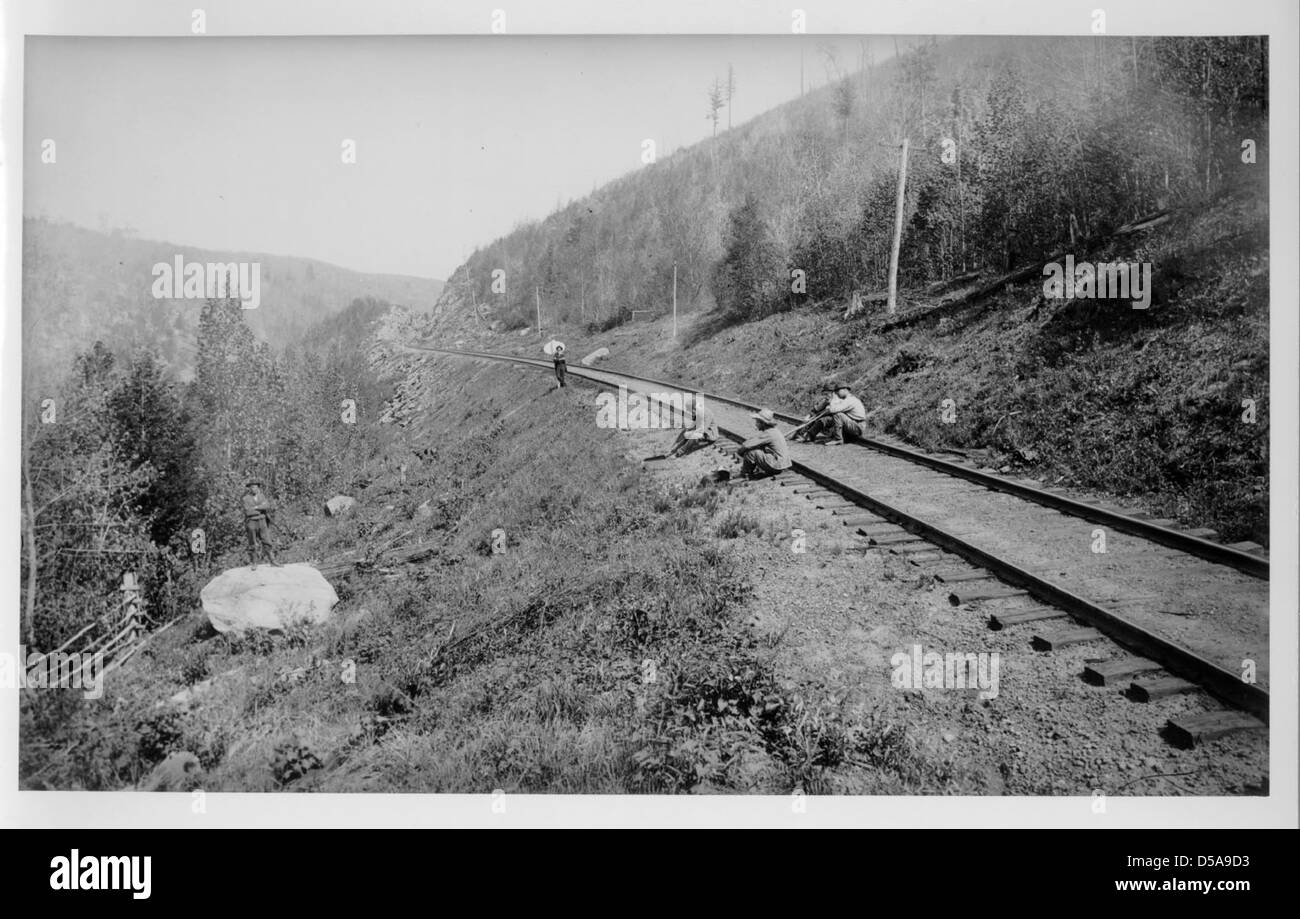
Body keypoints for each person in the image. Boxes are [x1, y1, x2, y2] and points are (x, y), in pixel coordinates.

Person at [797, 381, 866, 446]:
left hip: (858, 426)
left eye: (837, 391)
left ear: (844, 390)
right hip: (851, 424)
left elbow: (833, 410)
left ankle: (838, 439)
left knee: (837, 415)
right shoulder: (844, 399)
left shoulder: (849, 400)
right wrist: (810, 416)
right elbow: (819, 409)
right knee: (825, 419)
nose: (836, 393)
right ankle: (808, 435)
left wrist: (831, 402)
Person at [738, 408, 792, 479]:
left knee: (750, 453)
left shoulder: (768, 433)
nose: (756, 424)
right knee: (757, 448)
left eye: (757, 422)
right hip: (782, 464)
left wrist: (739, 452)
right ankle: (750, 471)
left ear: (763, 423)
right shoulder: (774, 431)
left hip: (777, 465)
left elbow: (746, 445)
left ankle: (745, 474)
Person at [242, 479, 280, 569]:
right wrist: (260, 509)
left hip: (262, 521)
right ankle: (254, 563)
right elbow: (248, 512)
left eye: (255, 487)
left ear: (258, 488)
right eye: (252, 487)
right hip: (251, 522)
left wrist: (255, 507)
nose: (254, 489)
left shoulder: (262, 496)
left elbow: (267, 506)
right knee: (253, 543)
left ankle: (272, 560)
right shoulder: (245, 499)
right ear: (249, 489)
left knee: (267, 541)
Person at [667, 393, 718, 459]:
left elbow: (702, 430)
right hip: (703, 430)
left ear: (693, 408)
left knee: (694, 436)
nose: (690, 412)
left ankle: (678, 453)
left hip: (711, 435)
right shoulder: (698, 411)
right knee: (686, 432)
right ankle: (673, 450)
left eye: (690, 410)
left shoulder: (706, 414)